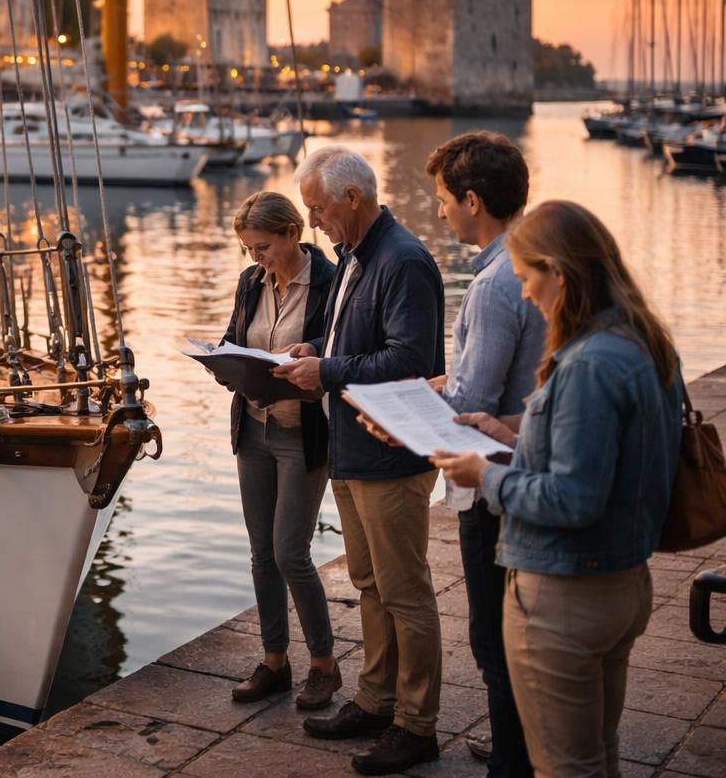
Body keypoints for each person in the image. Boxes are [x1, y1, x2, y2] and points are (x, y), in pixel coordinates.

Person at [433, 201, 682, 778]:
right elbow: (602, 453)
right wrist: (509, 432)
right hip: (620, 581)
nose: (523, 295)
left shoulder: (587, 363)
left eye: (526, 279)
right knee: (597, 758)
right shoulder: (641, 342)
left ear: (560, 275)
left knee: (565, 768)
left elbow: (573, 498)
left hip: (566, 594)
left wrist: (484, 475)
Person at [272, 146, 446, 775]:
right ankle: (376, 700)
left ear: (352, 198)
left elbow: (409, 362)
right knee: (370, 584)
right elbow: (356, 340)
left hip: (391, 454)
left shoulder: (404, 261)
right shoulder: (353, 257)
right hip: (351, 447)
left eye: (317, 209)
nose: (313, 222)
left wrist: (328, 369)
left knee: (406, 590)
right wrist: (316, 346)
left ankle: (416, 724)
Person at [419, 132, 544, 778]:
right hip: (528, 465)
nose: (439, 213)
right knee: (519, 638)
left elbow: (476, 396)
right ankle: (518, 749)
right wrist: (441, 384)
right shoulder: (536, 259)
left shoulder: (495, 281)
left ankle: (511, 765)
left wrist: (406, 407)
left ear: (472, 200)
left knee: (493, 643)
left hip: (493, 481)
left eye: (444, 200)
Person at [219, 191, 342, 710]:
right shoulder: (251, 282)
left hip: (302, 434)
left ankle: (324, 663)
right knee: (261, 554)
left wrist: (310, 354)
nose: (256, 259)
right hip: (253, 429)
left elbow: (341, 355)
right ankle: (274, 661)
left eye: (263, 247)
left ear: (294, 232)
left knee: (291, 552)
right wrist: (226, 363)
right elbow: (232, 338)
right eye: (249, 249)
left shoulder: (332, 283)